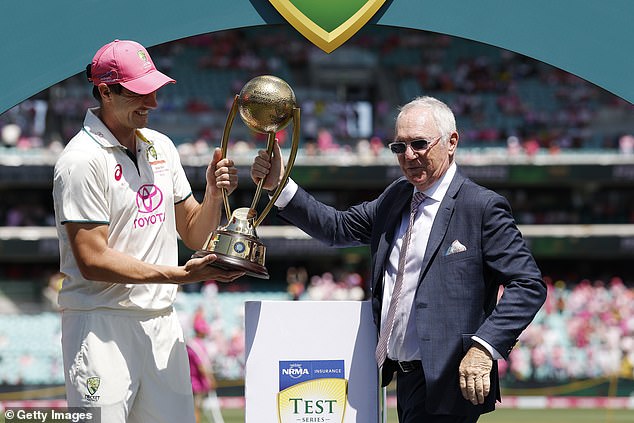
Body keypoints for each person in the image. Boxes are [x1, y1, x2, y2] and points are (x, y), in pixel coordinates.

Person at [251, 96, 547, 422]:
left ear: (452, 143)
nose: (408, 156)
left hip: (450, 379)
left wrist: (484, 346)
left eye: (419, 144)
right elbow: (336, 228)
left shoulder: (481, 207)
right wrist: (280, 185)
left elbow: (528, 284)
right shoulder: (397, 196)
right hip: (403, 377)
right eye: (399, 147)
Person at [52, 39, 244, 423]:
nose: (153, 103)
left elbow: (192, 232)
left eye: (153, 89)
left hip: (162, 322)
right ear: (106, 91)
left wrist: (212, 193)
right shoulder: (79, 160)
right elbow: (93, 260)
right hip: (101, 323)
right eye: (141, 92)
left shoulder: (162, 146)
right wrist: (180, 276)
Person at [187, 308, 225, 423]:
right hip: (196, 383)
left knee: (195, 409)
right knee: (195, 409)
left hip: (193, 381)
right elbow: (201, 366)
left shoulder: (192, 343)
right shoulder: (196, 345)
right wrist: (211, 379)